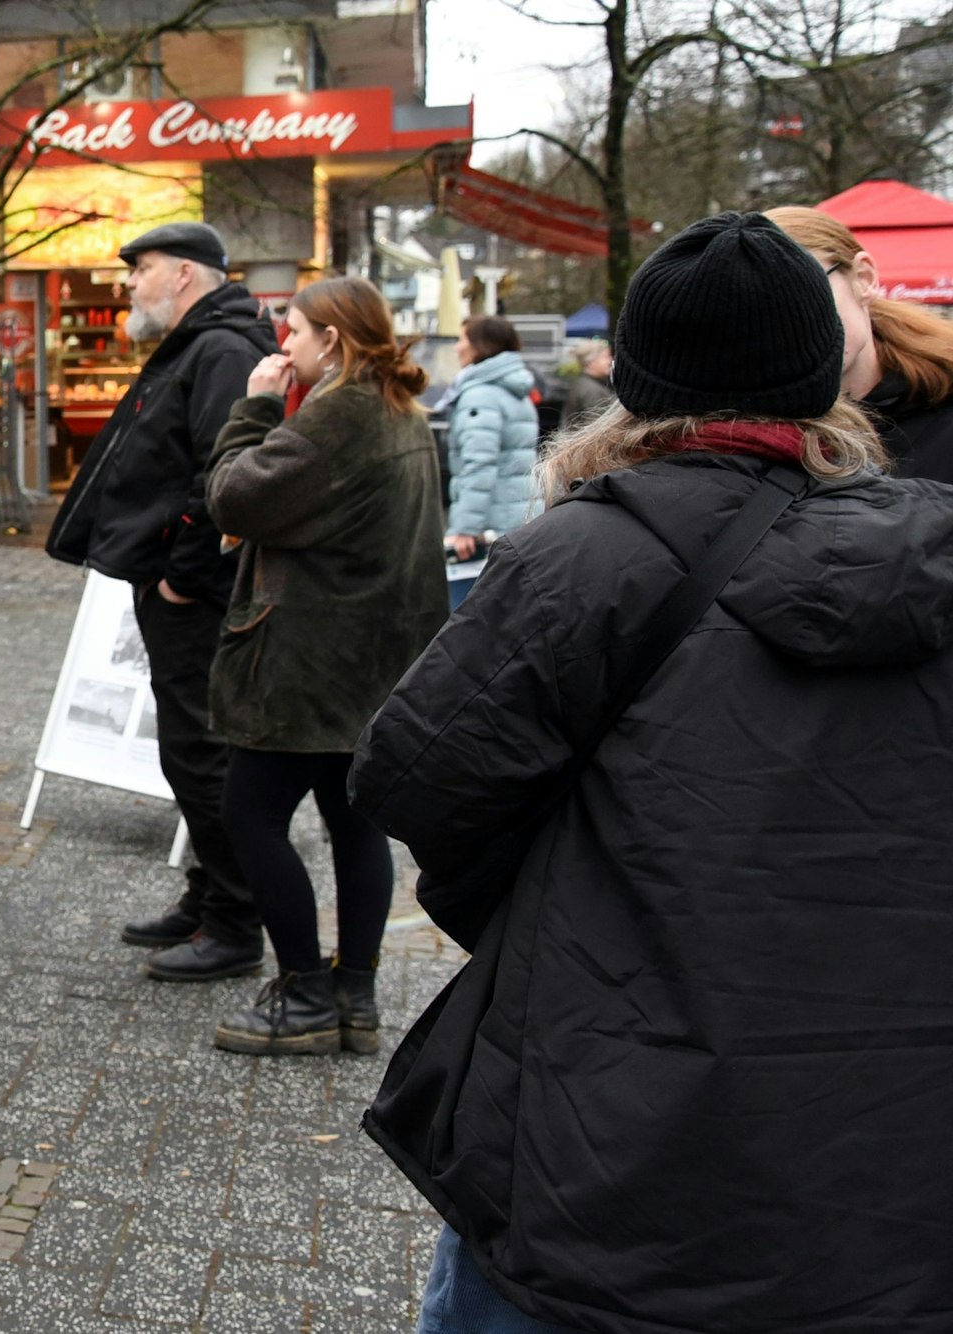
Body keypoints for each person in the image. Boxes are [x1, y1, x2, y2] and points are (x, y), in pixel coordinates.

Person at [353, 212, 953, 1332]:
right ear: (821, 375)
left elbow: (414, 776)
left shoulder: (587, 551)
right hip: (882, 1168)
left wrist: (555, 906)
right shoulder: (929, 553)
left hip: (604, 1146)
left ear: (634, 382)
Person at [200, 276, 445, 1056]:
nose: (283, 348)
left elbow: (235, 497)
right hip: (378, 662)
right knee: (353, 822)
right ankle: (355, 996)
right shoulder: (402, 410)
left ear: (333, 340)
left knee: (251, 816)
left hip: (309, 662)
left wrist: (256, 406)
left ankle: (306, 992)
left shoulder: (339, 412)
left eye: (295, 334)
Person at [45, 221, 278, 982]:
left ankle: (236, 924)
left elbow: (223, 470)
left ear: (183, 274)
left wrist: (182, 572)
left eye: (139, 270)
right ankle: (210, 897)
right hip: (178, 586)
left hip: (193, 594)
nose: (129, 285)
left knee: (200, 754)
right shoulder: (203, 342)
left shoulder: (217, 347)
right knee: (192, 751)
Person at [769, 204, 953, 483]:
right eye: (767, 310)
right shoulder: (749, 436)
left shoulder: (943, 405)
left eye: (809, 293)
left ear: (863, 278)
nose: (793, 323)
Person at [442, 316, 540, 609]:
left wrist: (464, 528)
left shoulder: (480, 394)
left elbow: (479, 463)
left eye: (462, 339)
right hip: (517, 517)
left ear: (480, 345)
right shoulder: (513, 388)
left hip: (489, 526)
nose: (457, 347)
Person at [560, 337, 614, 427]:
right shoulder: (590, 389)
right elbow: (597, 427)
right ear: (591, 362)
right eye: (605, 357)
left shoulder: (585, 383)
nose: (610, 361)